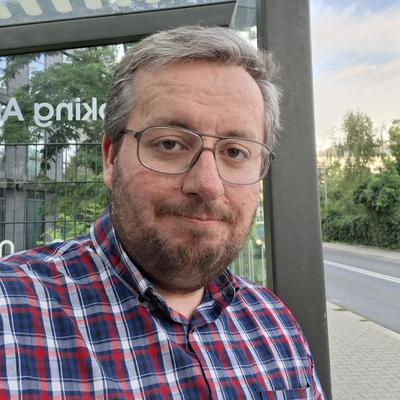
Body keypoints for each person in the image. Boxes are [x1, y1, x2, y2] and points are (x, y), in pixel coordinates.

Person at [0, 26, 326, 399]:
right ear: (111, 158)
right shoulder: (11, 312)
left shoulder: (275, 326)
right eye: (169, 143)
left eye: (235, 152)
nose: (207, 184)